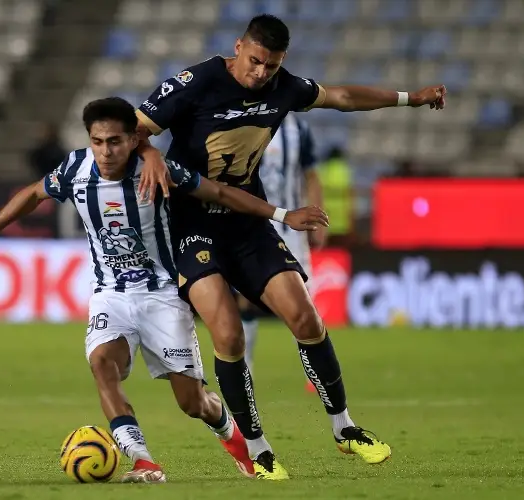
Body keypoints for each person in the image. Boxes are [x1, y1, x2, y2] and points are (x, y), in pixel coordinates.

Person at [134, 14, 446, 478]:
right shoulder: (195, 82)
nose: (261, 73)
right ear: (238, 47)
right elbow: (132, 127)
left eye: (272, 65)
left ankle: (345, 428)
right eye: (255, 61)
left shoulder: (283, 86)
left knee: (305, 317)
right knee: (228, 333)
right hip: (190, 224)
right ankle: (258, 449)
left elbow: (341, 97)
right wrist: (151, 150)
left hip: (247, 221)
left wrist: (409, 98)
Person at [0, 97, 328, 483]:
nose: (106, 151)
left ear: (133, 139)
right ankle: (143, 461)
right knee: (103, 364)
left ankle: (236, 441)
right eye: (98, 141)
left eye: (115, 141)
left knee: (193, 403)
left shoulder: (158, 171)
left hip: (163, 297)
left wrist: (280, 214)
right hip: (111, 294)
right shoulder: (75, 168)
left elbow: (221, 194)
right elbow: (33, 193)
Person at [239, 113, 324, 390]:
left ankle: (315, 370)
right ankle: (246, 366)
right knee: (245, 297)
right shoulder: (248, 123)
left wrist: (319, 217)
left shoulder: (299, 128)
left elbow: (311, 175)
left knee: (302, 299)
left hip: (293, 227)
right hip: (256, 222)